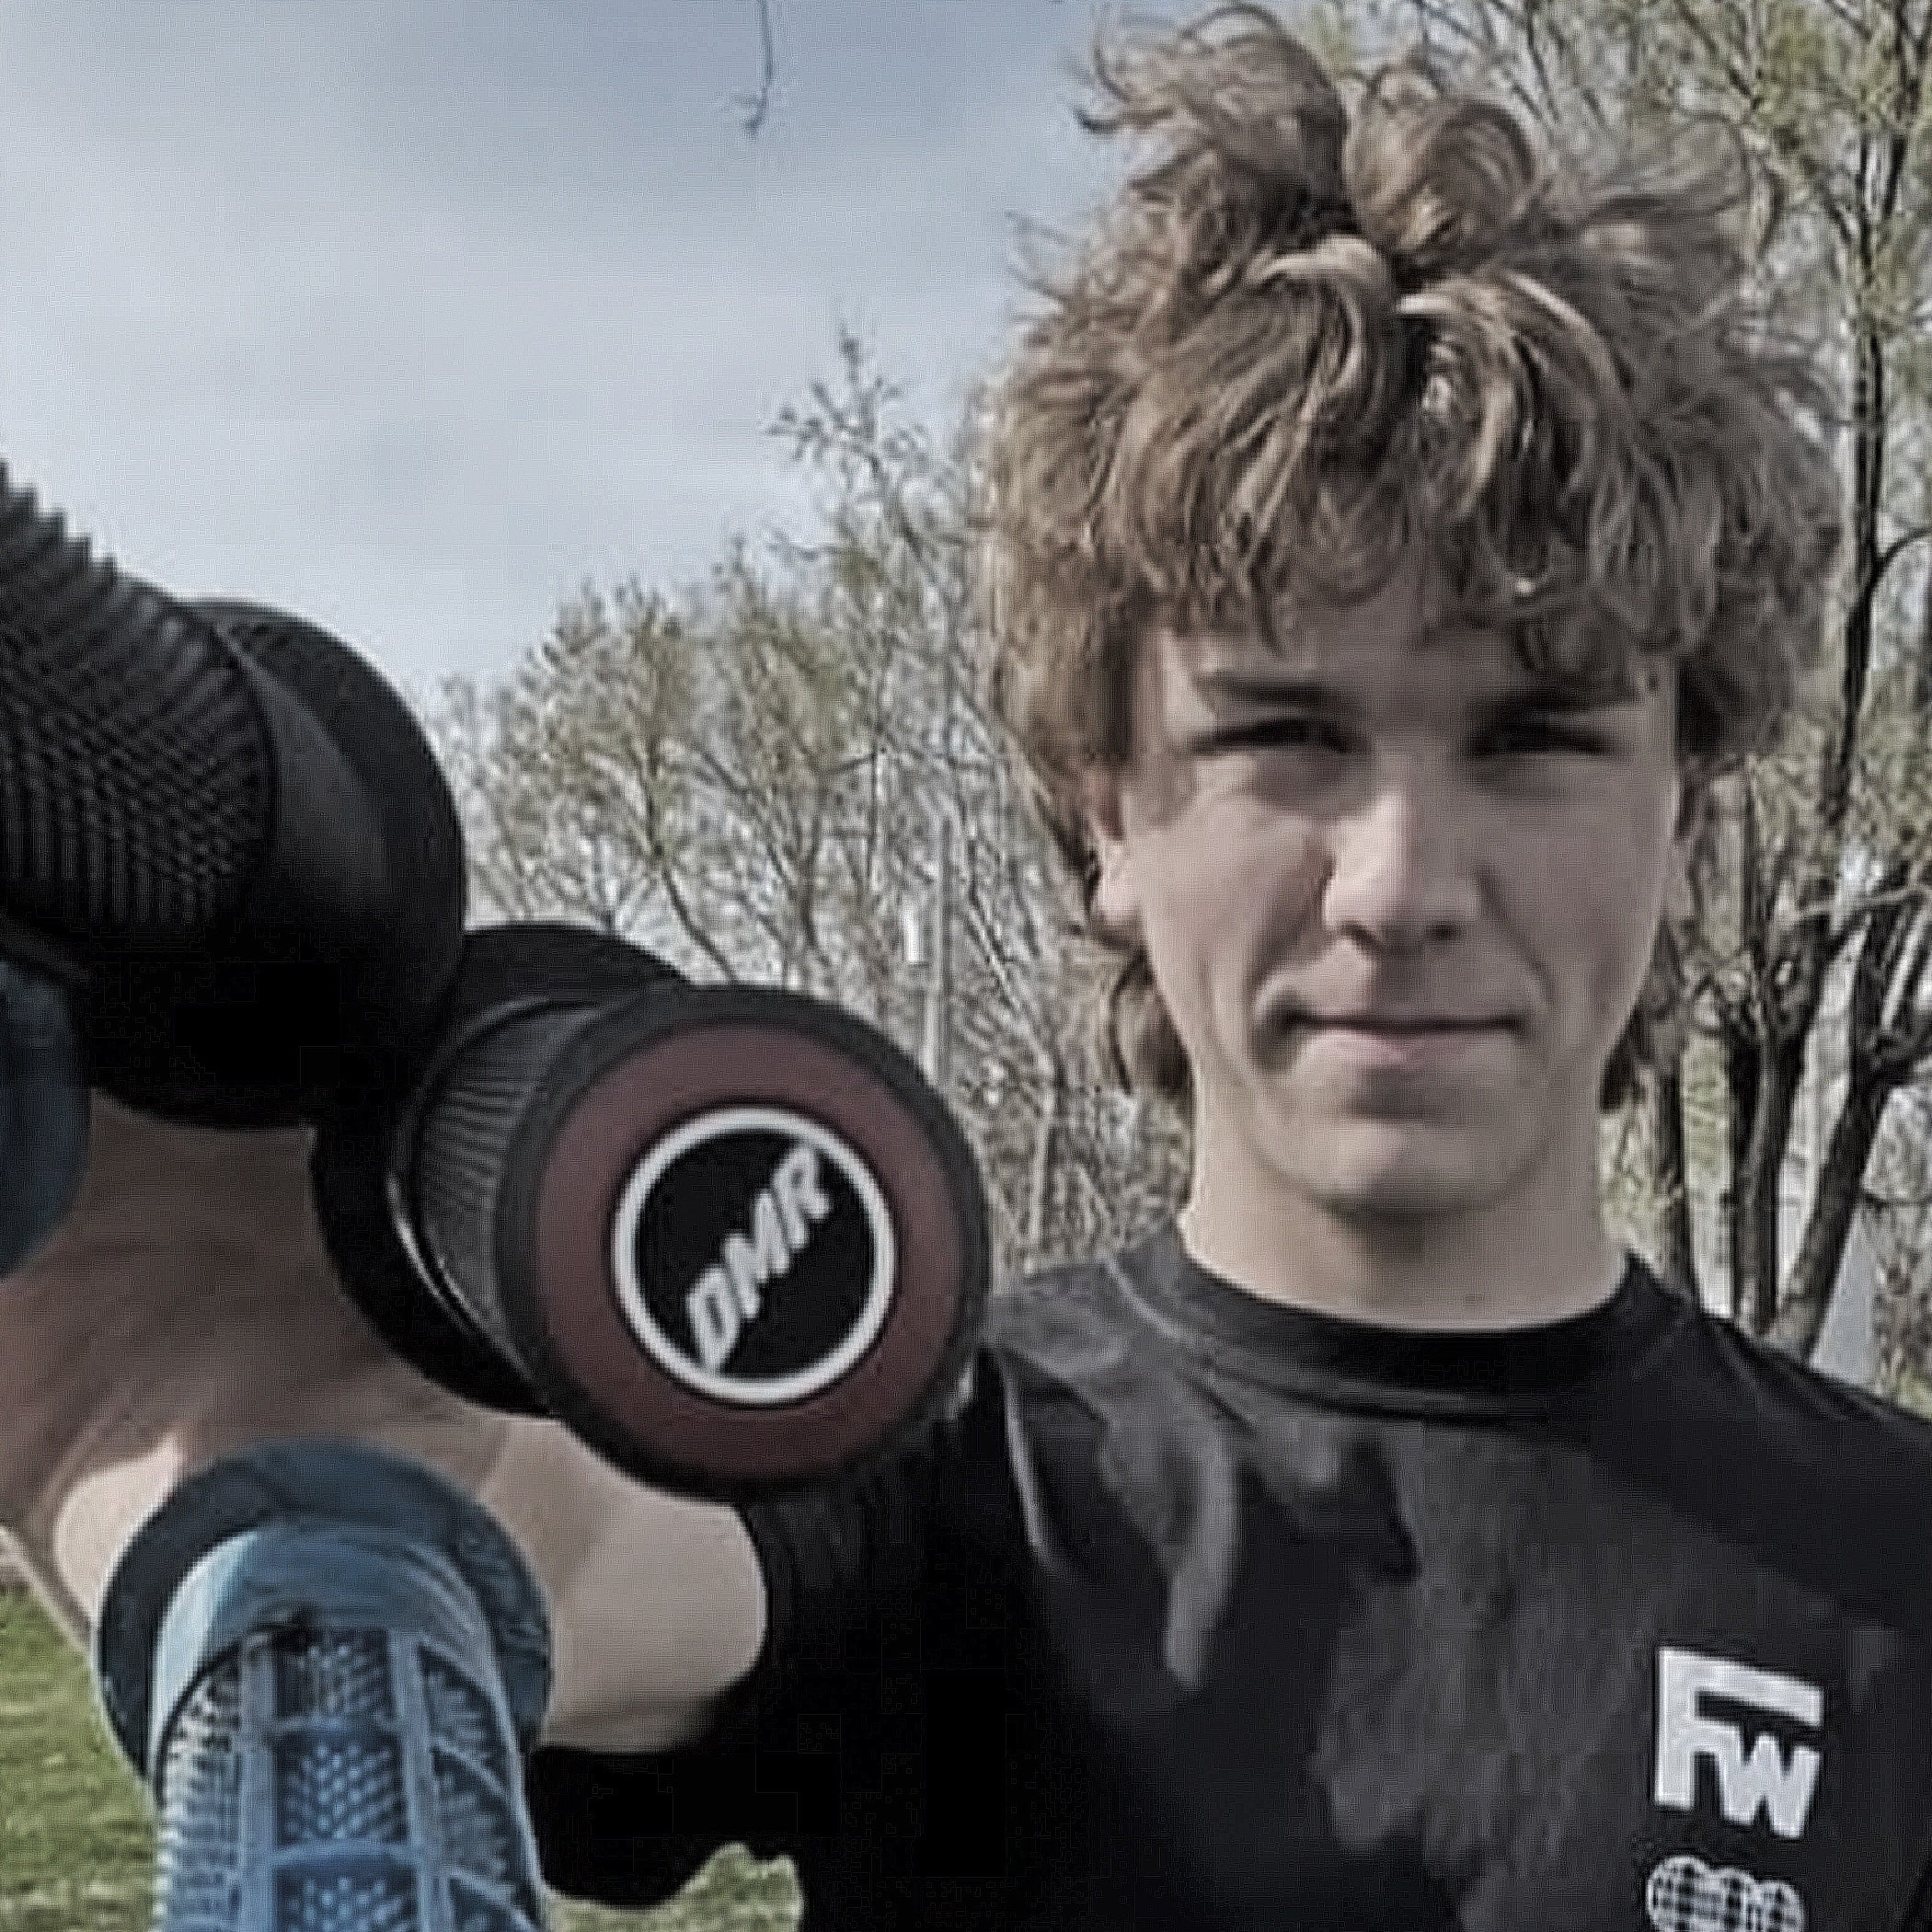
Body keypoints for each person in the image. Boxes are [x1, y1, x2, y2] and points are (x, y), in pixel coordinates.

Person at [6, 6, 1932, 1929]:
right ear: (1108, 813)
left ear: (1688, 797)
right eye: (1285, 737)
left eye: (1531, 740)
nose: (1401, 881)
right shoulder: (947, 1475)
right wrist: (237, 1457)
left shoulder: (1894, 1567)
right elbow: (546, 1542)